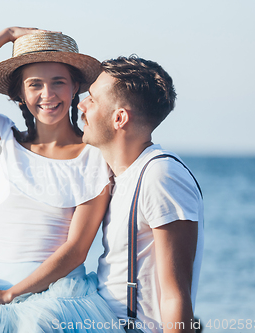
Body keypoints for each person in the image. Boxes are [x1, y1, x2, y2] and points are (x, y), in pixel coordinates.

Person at [0, 27, 125, 332]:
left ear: (75, 86)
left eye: (58, 83)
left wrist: (10, 295)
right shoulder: (1, 140)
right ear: (19, 95)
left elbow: (77, 248)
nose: (47, 95)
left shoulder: (93, 156)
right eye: (34, 84)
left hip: (55, 299)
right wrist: (6, 35)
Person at [78, 56, 204, 333]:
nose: (81, 104)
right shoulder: (118, 175)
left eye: (92, 99)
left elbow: (175, 295)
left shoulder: (161, 175)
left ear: (119, 118)